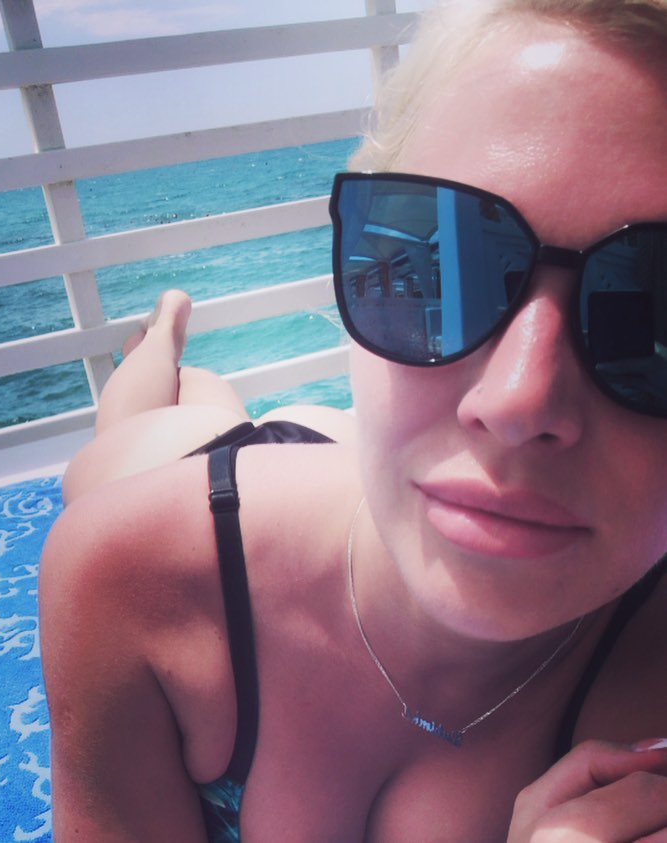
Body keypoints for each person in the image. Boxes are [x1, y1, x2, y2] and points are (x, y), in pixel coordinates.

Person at [40, 0, 667, 840]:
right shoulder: (129, 571)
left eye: (654, 314)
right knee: (147, 419)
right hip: (238, 488)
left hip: (374, 473)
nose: (517, 402)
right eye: (441, 265)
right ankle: (163, 331)